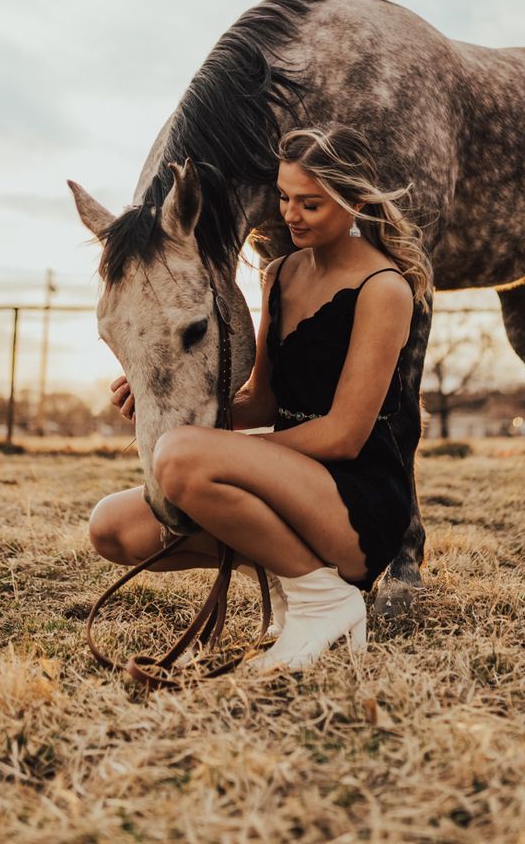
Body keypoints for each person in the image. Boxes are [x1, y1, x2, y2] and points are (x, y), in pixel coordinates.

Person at [91, 124, 431, 672]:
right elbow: (261, 400)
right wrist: (169, 395)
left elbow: (345, 435)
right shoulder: (279, 274)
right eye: (284, 197)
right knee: (113, 526)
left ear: (356, 201)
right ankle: (290, 575)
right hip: (291, 481)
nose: (290, 215)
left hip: (356, 501)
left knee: (179, 455)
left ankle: (326, 599)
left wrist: (219, 451)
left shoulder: (384, 288)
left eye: (311, 204)